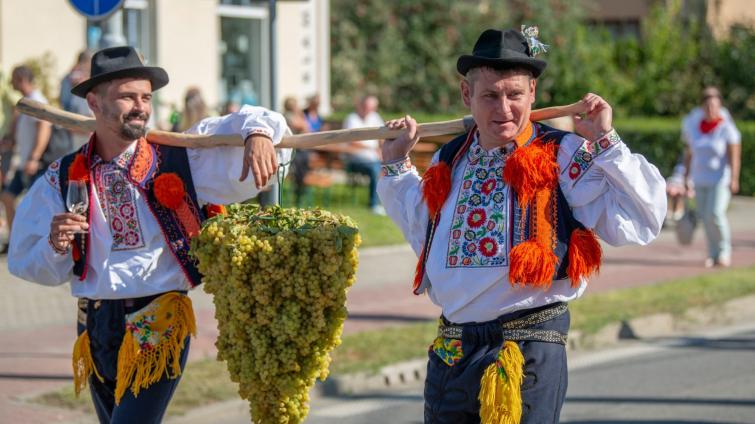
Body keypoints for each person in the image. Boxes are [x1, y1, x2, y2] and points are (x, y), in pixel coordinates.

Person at [378, 28, 666, 423]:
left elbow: (642, 216)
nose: (504, 109)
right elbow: (423, 231)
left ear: (533, 92)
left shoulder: (562, 154)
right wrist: (396, 166)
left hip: (526, 346)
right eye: (490, 96)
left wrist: (605, 141)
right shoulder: (450, 158)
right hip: (453, 351)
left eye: (514, 95)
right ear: (467, 96)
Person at [7, 46, 290, 424]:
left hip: (158, 319)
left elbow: (243, 130)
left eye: (145, 97)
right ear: (94, 102)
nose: (140, 106)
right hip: (94, 323)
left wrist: (257, 132)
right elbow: (25, 261)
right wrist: (55, 245)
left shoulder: (181, 157)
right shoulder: (61, 177)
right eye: (127, 96)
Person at [682, 86, 741, 268]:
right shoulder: (695, 127)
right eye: (707, 106)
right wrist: (686, 176)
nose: (710, 110)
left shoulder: (727, 128)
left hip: (720, 180)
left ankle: (724, 251)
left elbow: (734, 156)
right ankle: (712, 252)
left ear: (719, 107)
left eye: (714, 106)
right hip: (700, 179)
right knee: (705, 217)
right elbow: (689, 153)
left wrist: (734, 179)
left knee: (715, 214)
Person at [1, 65, 51, 238]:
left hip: (34, 164)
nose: (11, 83)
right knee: (7, 197)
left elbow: (44, 129)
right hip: (23, 163)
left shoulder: (37, 101)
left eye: (13, 79)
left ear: (21, 79)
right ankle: (17, 238)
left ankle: (34, 240)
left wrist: (34, 158)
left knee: (35, 206)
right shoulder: (25, 102)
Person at [343, 94, 385, 214]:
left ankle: (385, 203)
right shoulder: (351, 119)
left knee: (390, 169)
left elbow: (383, 137)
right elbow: (352, 142)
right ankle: (373, 204)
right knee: (375, 170)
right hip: (355, 159)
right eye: (367, 106)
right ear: (361, 105)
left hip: (374, 159)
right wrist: (373, 149)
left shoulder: (375, 117)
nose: (369, 110)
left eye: (372, 107)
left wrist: (382, 150)